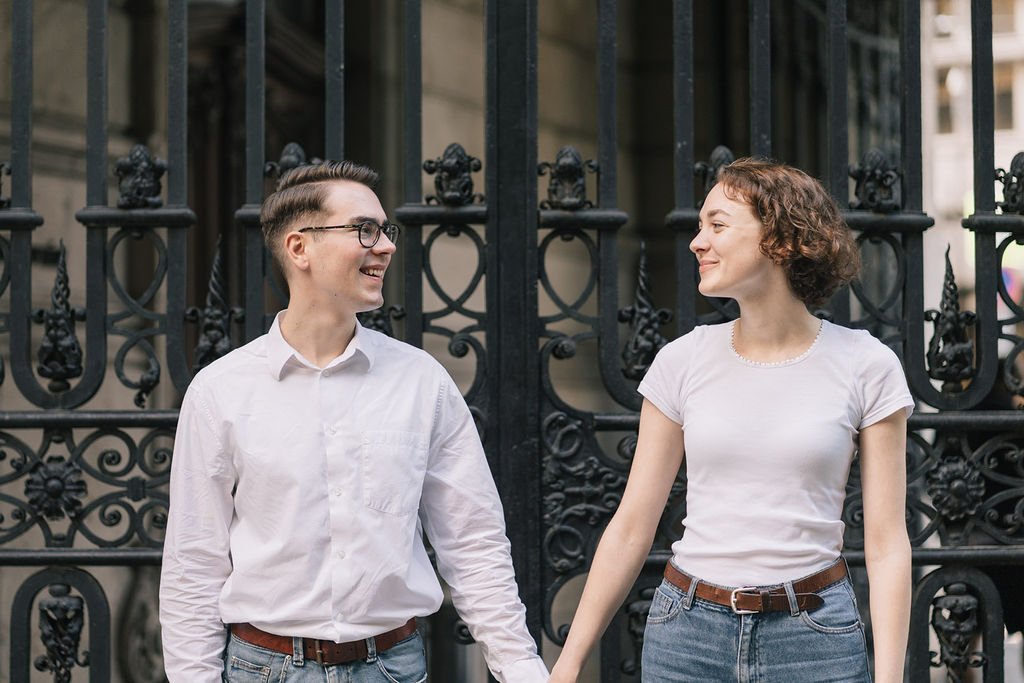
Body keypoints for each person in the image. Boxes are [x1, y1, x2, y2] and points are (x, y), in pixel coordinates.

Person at [159, 160, 549, 682]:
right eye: (365, 229)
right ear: (299, 248)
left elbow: (472, 542)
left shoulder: (422, 382)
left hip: (391, 667)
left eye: (386, 230)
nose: (386, 245)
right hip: (264, 669)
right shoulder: (221, 391)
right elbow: (194, 564)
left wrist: (521, 670)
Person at [549, 158, 914, 682]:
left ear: (784, 241)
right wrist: (569, 663)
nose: (698, 241)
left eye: (717, 225)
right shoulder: (683, 359)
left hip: (813, 639)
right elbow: (631, 527)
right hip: (688, 635)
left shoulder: (866, 363)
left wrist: (891, 678)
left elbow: (885, 543)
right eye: (700, 227)